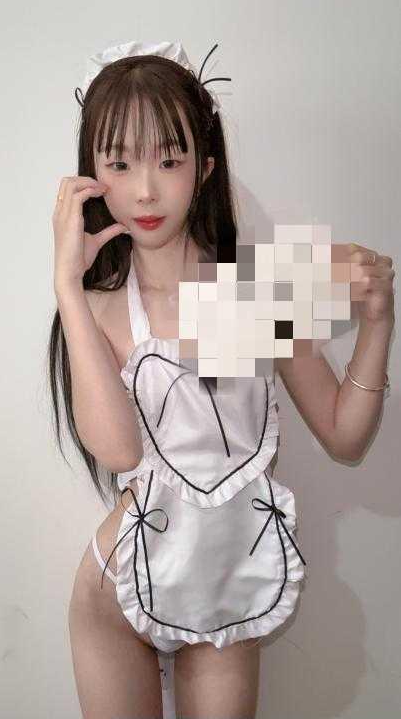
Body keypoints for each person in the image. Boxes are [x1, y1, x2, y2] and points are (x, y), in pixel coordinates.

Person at [48, 42, 395, 719]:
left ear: (205, 168)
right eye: (120, 163)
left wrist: (378, 324)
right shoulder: (96, 308)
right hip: (117, 594)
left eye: (169, 160)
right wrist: (66, 284)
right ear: (92, 177)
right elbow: (118, 451)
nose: (145, 191)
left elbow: (344, 435)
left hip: (229, 595)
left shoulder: (252, 290)